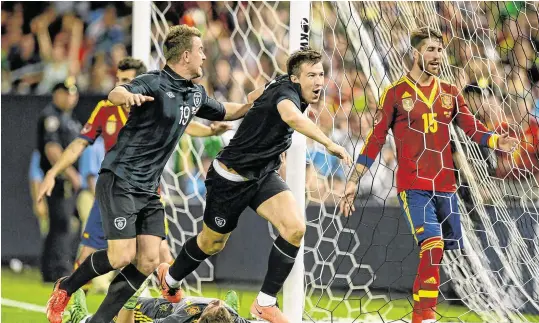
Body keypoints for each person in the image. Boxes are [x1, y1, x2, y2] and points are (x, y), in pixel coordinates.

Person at [44, 24, 259, 323]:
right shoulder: (153, 83)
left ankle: (99, 321)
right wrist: (125, 96)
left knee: (147, 260)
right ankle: (65, 288)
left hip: (149, 188)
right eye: (199, 52)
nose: (204, 58)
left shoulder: (195, 94)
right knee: (120, 256)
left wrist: (256, 104)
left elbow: (227, 109)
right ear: (185, 55)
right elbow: (117, 92)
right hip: (121, 179)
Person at [156, 48, 352, 323]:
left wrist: (263, 128)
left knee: (295, 228)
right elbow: (292, 117)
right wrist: (328, 142)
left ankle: (265, 303)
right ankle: (171, 277)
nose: (319, 81)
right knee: (211, 243)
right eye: (311, 75)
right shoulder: (286, 97)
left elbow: (251, 98)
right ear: (295, 78)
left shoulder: (279, 85)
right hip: (229, 178)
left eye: (321, 74)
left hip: (262, 175)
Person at [339, 27, 519, 323]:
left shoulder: (449, 93)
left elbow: (472, 128)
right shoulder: (395, 94)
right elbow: (375, 140)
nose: (437, 56)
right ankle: (424, 318)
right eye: (431, 49)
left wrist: (497, 141)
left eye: (440, 50)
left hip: (446, 187)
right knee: (432, 245)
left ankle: (422, 315)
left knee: (437, 254)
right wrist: (353, 179)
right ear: (415, 53)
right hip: (414, 187)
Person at [37, 78, 82, 283]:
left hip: (66, 182)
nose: (70, 97)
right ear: (57, 94)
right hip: (58, 181)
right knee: (62, 224)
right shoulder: (51, 117)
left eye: (73, 93)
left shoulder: (70, 119)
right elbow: (51, 148)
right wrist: (70, 173)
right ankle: (59, 269)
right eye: (66, 93)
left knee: (61, 224)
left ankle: (51, 269)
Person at [63, 283, 248, 323]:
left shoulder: (177, 321)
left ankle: (81, 319)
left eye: (214, 306)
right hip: (165, 304)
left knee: (115, 306)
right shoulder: (234, 319)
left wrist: (130, 300)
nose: (216, 300)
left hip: (144, 312)